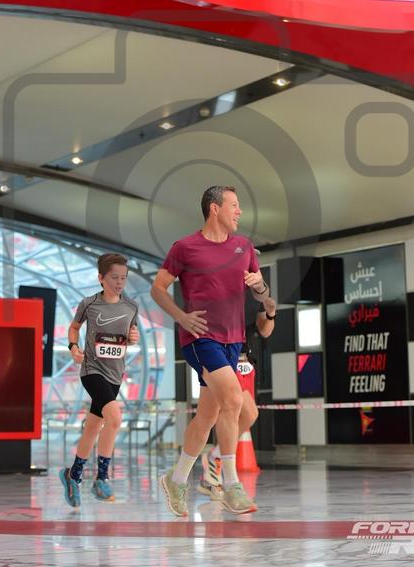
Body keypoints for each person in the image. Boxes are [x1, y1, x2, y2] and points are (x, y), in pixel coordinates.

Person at [151, 185, 270, 516]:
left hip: (233, 340)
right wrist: (181, 317)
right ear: (214, 208)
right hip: (200, 337)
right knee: (233, 399)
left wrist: (260, 288)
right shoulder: (185, 247)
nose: (239, 211)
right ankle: (230, 484)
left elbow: (262, 293)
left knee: (207, 415)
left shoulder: (244, 247)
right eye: (234, 205)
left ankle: (176, 479)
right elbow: (158, 288)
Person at [59, 252, 139, 507]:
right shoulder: (89, 304)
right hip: (92, 370)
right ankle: (101, 478)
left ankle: (73, 475)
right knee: (114, 417)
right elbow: (74, 327)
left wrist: (133, 338)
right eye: (114, 277)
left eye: (123, 278)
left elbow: (130, 334)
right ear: (101, 278)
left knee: (93, 426)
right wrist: (73, 347)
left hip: (116, 374)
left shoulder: (131, 307)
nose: (120, 282)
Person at [199, 294, 276, 496]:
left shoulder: (254, 291)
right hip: (222, 358)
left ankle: (214, 460)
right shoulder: (217, 289)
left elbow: (265, 330)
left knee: (245, 416)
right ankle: (220, 471)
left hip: (245, 362)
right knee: (236, 414)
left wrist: (270, 313)